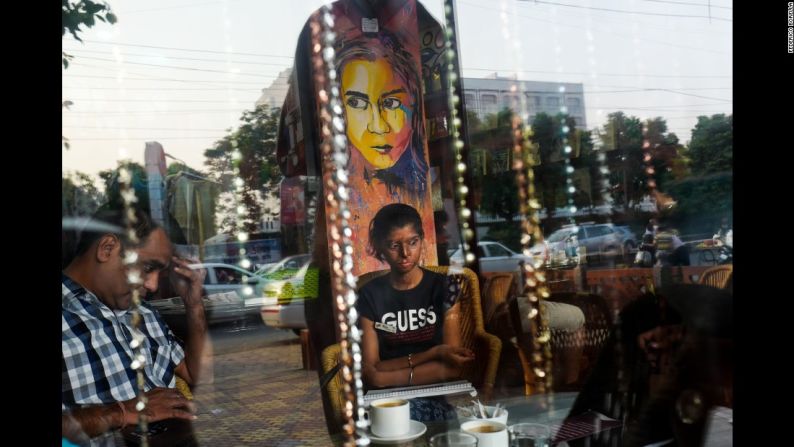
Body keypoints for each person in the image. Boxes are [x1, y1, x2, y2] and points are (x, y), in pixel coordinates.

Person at [62, 206, 212, 445]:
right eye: (147, 267)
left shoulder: (144, 312)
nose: (152, 286)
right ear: (107, 248)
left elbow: (200, 376)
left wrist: (193, 304)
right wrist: (119, 413)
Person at [357, 203, 475, 422]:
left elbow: (452, 367)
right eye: (394, 245)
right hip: (385, 399)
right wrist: (432, 354)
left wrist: (386, 376)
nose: (405, 253)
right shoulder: (368, 295)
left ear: (422, 240)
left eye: (413, 242)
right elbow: (371, 369)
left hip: (434, 395)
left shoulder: (445, 287)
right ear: (380, 247)